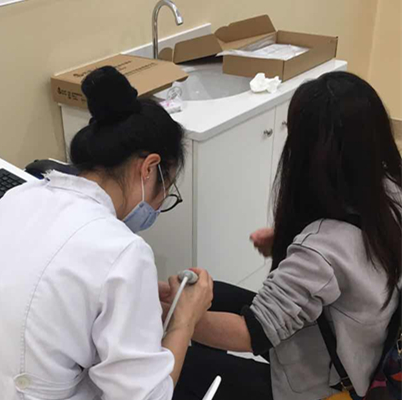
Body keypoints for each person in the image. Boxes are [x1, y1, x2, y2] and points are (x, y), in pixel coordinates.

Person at [0, 66, 214, 400]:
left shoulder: (18, 198)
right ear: (148, 169)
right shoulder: (123, 252)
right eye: (166, 190)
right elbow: (147, 396)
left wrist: (132, 299)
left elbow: (58, 297)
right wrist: (185, 319)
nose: (159, 204)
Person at [169, 71, 402, 400]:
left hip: (323, 386)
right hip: (364, 347)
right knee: (214, 293)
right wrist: (284, 240)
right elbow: (348, 257)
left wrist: (176, 319)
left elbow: (253, 333)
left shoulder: (320, 250)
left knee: (181, 364)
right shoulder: (389, 188)